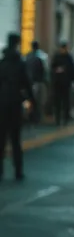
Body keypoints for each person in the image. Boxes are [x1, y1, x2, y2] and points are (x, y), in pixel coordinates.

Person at [0, 33, 35, 181]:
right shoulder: (20, 63)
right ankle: (18, 171)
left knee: (1, 139)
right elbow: (26, 84)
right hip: (15, 104)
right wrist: (31, 100)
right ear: (17, 44)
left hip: (1, 104)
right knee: (15, 139)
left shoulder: (2, 63)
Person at [51, 41, 74, 125]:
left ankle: (65, 117)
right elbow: (52, 68)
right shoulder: (58, 57)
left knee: (65, 101)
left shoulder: (68, 57)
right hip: (58, 82)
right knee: (58, 101)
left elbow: (72, 70)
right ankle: (58, 118)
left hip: (65, 83)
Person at [25, 41, 48, 123]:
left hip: (29, 82)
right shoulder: (40, 57)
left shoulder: (27, 56)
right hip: (38, 82)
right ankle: (36, 117)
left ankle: (29, 117)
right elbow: (43, 71)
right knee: (38, 101)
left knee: (30, 101)